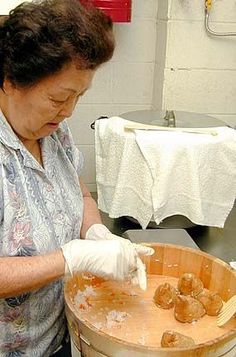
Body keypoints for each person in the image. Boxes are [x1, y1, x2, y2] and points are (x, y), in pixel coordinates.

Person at [0, 1, 153, 356]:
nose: (68, 111)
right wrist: (70, 259)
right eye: (59, 97)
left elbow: (79, 194)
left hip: (60, 335)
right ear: (10, 81)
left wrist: (95, 233)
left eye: (78, 97)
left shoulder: (55, 132)